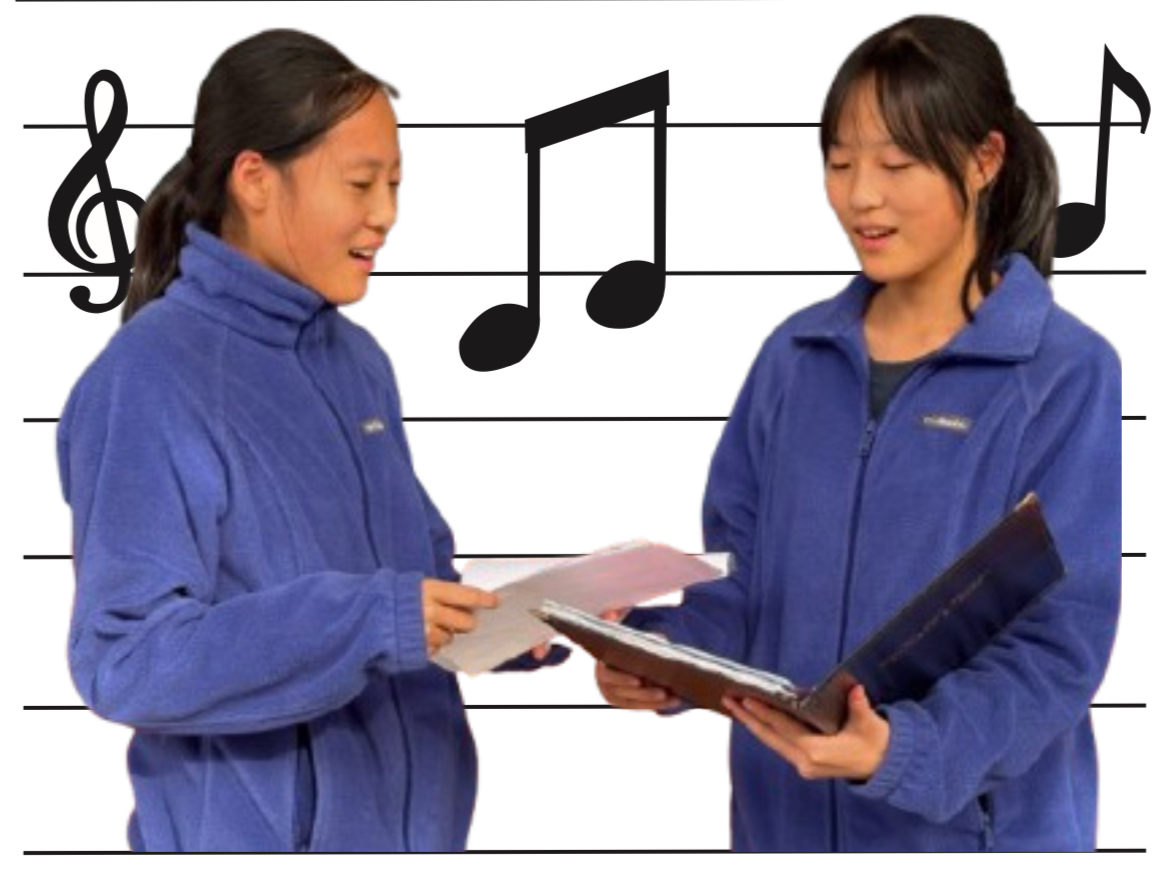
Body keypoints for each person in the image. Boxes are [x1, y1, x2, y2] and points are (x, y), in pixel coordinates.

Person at [597, 15, 1121, 852]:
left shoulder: (1062, 373)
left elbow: (1057, 645)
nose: (860, 196)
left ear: (985, 161)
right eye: (839, 163)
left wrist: (901, 750)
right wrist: (660, 657)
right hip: (785, 831)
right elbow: (745, 590)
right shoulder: (795, 358)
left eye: (896, 163)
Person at [57, 28, 564, 853]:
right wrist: (372, 618)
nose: (386, 215)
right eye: (361, 182)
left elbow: (412, 591)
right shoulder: (146, 380)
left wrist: (525, 619)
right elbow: (125, 658)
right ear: (254, 179)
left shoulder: (358, 363)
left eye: (396, 183)